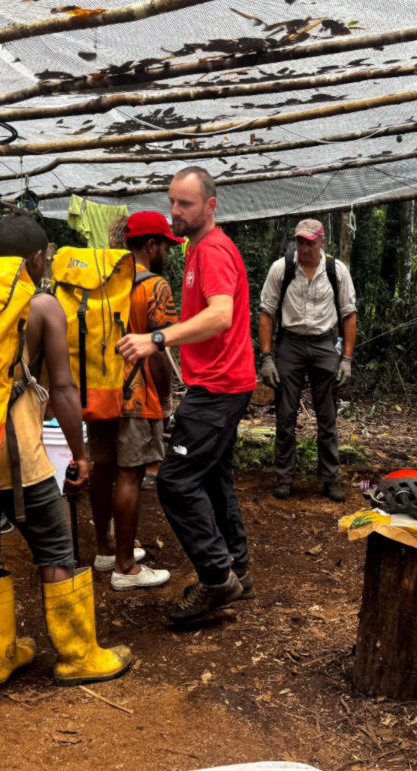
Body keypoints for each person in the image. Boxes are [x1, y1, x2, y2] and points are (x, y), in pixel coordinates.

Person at [0, 210, 132, 688]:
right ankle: (78, 656)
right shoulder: (41, 306)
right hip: (15, 451)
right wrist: (81, 453)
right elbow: (64, 390)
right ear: (37, 257)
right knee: (55, 548)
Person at [117, 167, 257, 626]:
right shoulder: (198, 249)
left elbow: (220, 316)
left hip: (218, 387)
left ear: (210, 206)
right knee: (212, 474)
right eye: (172, 201)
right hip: (221, 382)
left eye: (186, 204)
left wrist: (157, 340)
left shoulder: (213, 250)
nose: (175, 211)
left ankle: (217, 579)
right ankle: (236, 566)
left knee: (176, 481)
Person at [89, 211, 180, 591]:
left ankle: (106, 548)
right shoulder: (155, 285)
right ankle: (125, 568)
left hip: (99, 388)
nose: (168, 254)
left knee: (103, 468)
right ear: (151, 245)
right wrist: (164, 395)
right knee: (131, 473)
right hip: (134, 393)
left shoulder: (101, 281)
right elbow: (158, 350)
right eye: (165, 246)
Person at [258, 219, 357, 502]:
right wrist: (267, 358)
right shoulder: (282, 268)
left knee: (327, 416)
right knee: (285, 415)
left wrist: (346, 359)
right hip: (290, 343)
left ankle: (330, 479)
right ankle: (285, 478)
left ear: (322, 242)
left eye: (310, 242)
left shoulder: (336, 271)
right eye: (300, 241)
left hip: (325, 343)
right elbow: (266, 312)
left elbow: (349, 315)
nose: (304, 247)